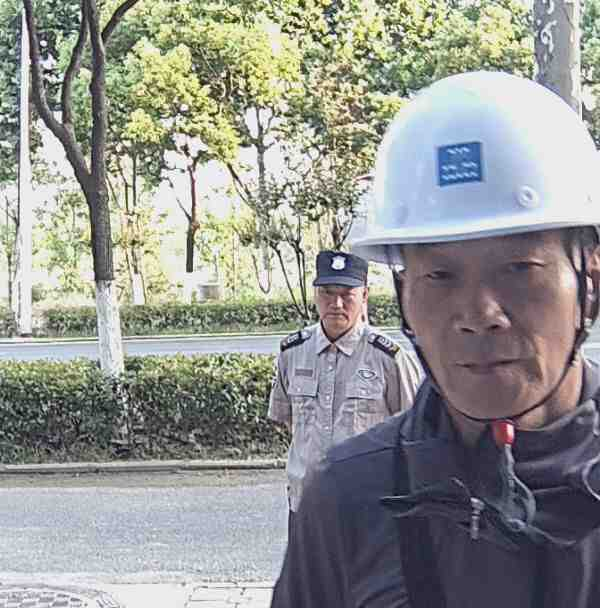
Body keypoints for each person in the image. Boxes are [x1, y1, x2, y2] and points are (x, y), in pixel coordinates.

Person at [270, 71, 600, 608]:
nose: (479, 316)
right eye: (440, 276)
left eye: (519, 268)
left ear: (590, 282)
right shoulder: (348, 498)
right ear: (404, 296)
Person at [268, 249, 422, 520]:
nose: (336, 304)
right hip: (305, 505)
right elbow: (288, 420)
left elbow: (414, 431)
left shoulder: (389, 358)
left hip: (369, 507)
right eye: (327, 292)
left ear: (364, 296)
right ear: (315, 295)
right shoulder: (292, 352)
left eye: (347, 294)